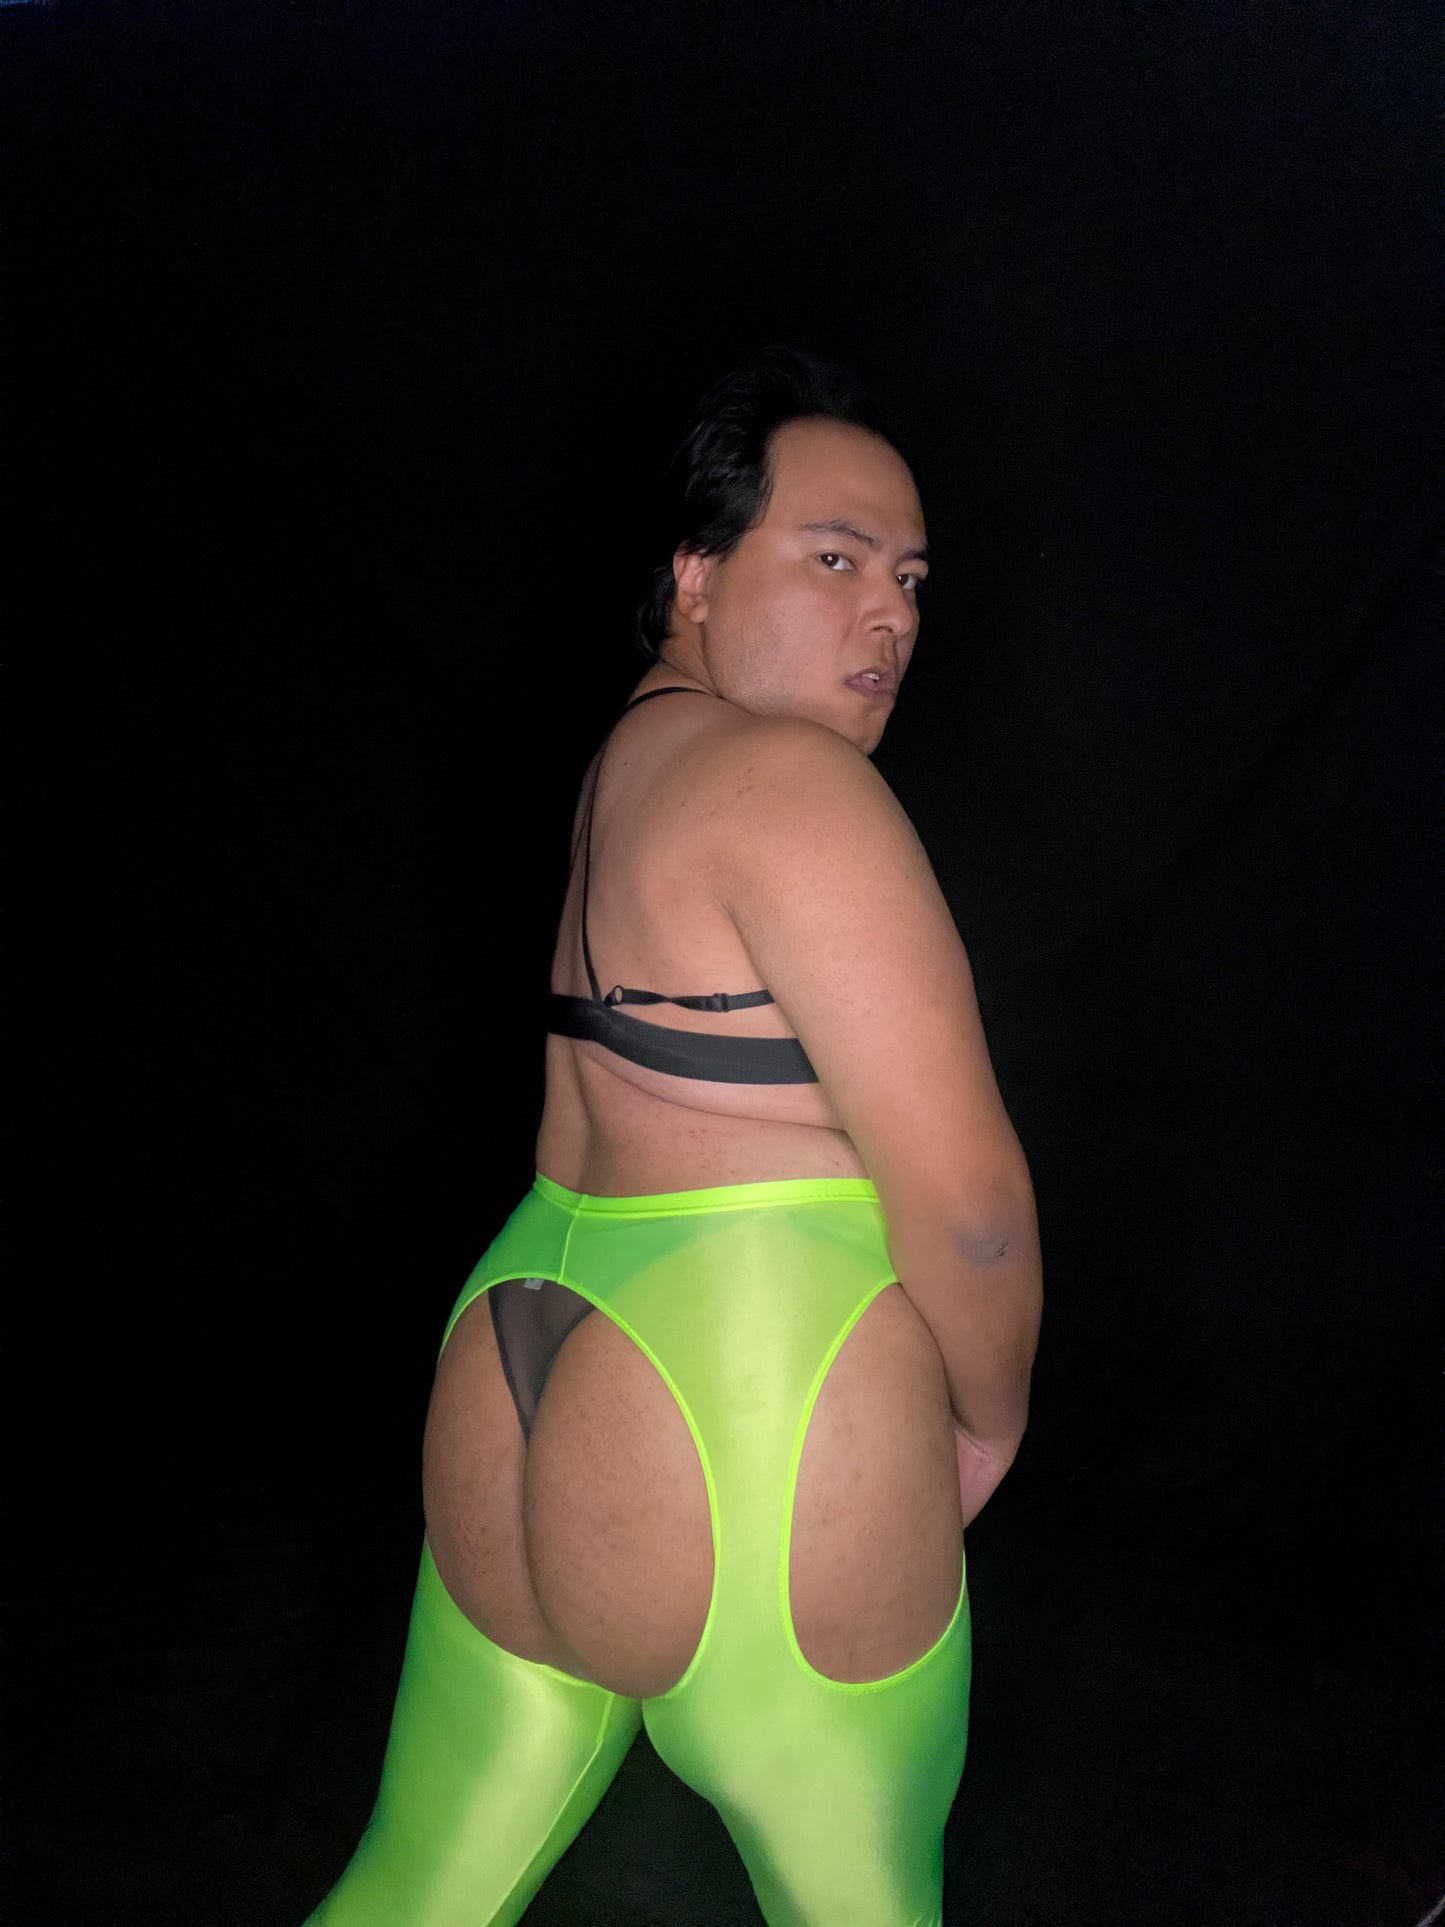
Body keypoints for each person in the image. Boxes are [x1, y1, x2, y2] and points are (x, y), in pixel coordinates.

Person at [304, 347, 1043, 1927]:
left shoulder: (625, 770)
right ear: (694, 576)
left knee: (418, 1890)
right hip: (751, 1383)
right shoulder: (792, 785)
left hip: (515, 1341)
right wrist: (986, 1421)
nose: (888, 615)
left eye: (909, 578)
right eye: (833, 559)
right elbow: (970, 1209)